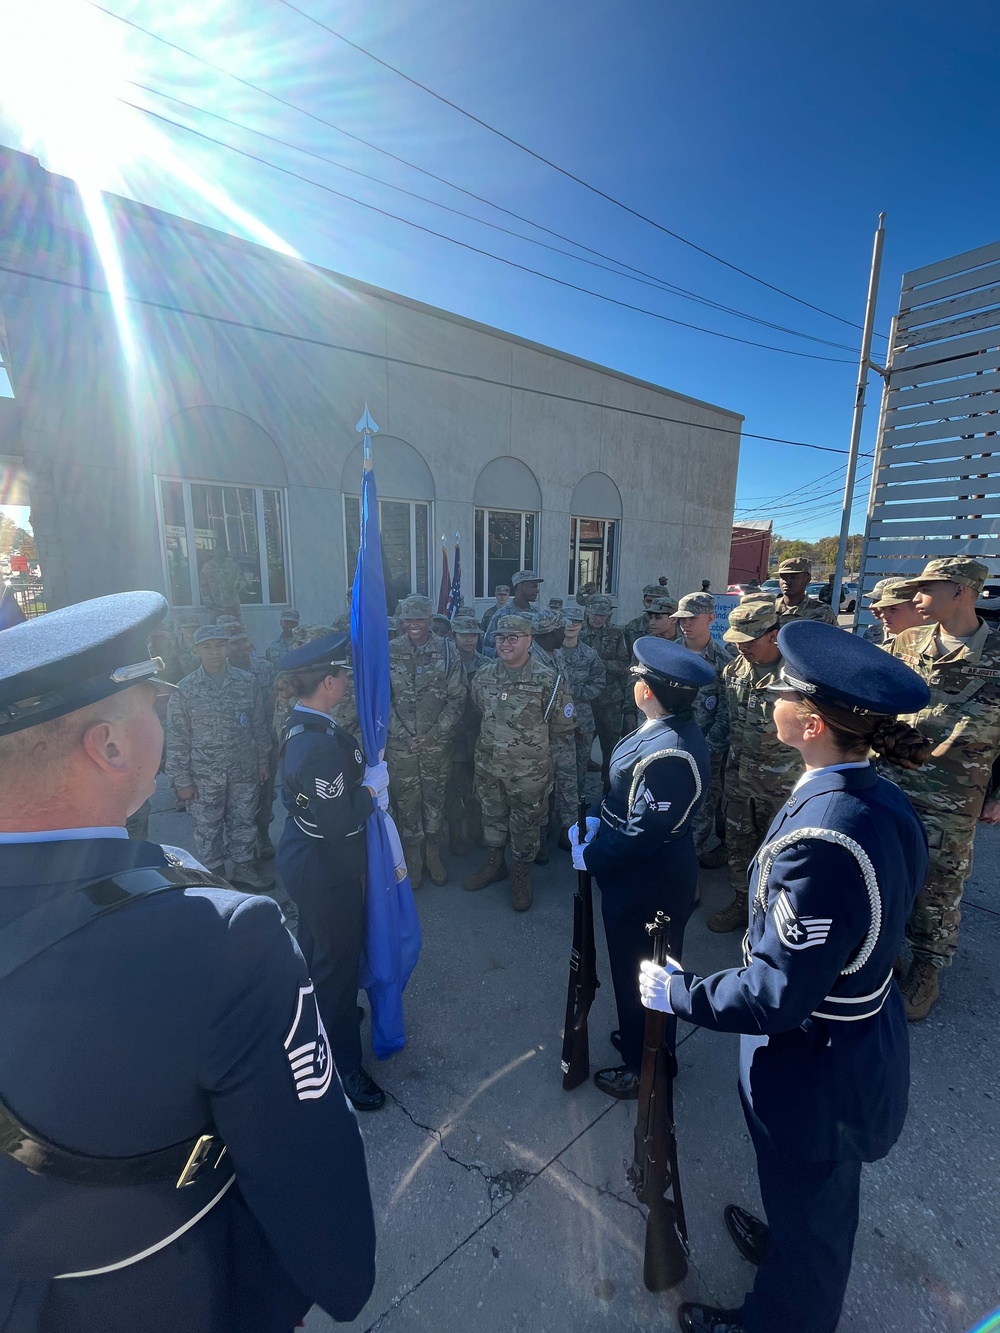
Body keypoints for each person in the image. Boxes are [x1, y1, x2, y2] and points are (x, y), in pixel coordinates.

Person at [0, 592, 376, 1331]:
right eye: (151, 700)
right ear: (109, 745)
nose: (164, 716)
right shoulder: (225, 938)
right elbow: (324, 1215)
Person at [639, 620, 931, 1333]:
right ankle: (796, 1250)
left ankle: (786, 1310)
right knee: (811, 1200)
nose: (769, 696)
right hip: (847, 1040)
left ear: (808, 722)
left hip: (818, 1063)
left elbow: (776, 991)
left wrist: (678, 992)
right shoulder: (872, 793)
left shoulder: (825, 836)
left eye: (782, 692)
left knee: (815, 1195)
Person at [571, 637, 713, 1100]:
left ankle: (647, 1065)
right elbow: (624, 795)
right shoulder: (658, 728)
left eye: (637, 678)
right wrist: (597, 815)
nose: (633, 682)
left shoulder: (671, 751)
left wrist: (589, 857)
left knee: (646, 976)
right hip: (638, 875)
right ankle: (643, 1042)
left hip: (647, 883)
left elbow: (640, 835)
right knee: (636, 970)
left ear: (648, 690)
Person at [275, 633, 390, 1112]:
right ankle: (341, 1064)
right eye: (342, 673)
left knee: (319, 954)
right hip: (325, 870)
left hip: (312, 863)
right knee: (336, 966)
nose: (347, 679)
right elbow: (338, 818)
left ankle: (317, 1020)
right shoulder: (318, 745)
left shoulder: (307, 724)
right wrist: (371, 792)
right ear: (327, 682)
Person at [885, 557, 1000, 1020]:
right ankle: (885, 947)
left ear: (962, 591)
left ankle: (927, 969)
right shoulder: (906, 642)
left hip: (955, 795)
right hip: (893, 780)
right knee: (889, 869)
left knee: (938, 884)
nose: (914, 597)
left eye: (926, 588)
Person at [465, 614, 575, 910]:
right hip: (489, 765)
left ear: (529, 640)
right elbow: (479, 709)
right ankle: (495, 864)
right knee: (492, 816)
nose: (506, 643)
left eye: (514, 637)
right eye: (501, 637)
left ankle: (521, 873)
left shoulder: (547, 679)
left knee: (526, 823)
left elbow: (561, 728)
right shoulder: (484, 675)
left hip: (529, 771)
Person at [709, 600, 802, 933]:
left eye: (748, 641)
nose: (740, 646)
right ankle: (741, 901)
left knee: (781, 852)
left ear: (773, 635)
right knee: (738, 843)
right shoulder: (734, 671)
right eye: (736, 640)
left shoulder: (797, 675)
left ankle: (776, 916)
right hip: (738, 776)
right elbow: (726, 719)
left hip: (783, 785)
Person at [165, 625, 272, 889]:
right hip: (204, 775)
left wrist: (262, 761)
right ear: (196, 651)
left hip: (243, 769)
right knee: (207, 826)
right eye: (207, 647)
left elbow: (259, 725)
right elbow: (177, 737)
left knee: (244, 821)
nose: (214, 652)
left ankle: (243, 867)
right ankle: (214, 875)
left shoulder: (247, 683)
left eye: (219, 645)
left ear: (227, 647)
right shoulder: (184, 690)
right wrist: (181, 780)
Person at [385, 595, 465, 889]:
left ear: (431, 620)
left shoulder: (447, 650)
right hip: (401, 745)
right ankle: (413, 856)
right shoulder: (389, 651)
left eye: (420, 618)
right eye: (409, 619)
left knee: (434, 799)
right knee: (406, 801)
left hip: (436, 744)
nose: (414, 624)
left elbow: (457, 699)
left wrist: (434, 734)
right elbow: (381, 702)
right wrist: (404, 736)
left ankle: (432, 852)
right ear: (402, 621)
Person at [675, 592, 732, 869]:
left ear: (710, 618)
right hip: (670, 745)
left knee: (703, 804)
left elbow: (726, 712)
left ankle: (691, 859)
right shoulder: (668, 654)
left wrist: (707, 748)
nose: (685, 624)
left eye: (692, 618)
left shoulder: (724, 661)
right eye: (681, 619)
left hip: (706, 748)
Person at [529, 608, 578, 862]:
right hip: (542, 736)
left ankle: (568, 831)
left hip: (564, 732)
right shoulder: (531, 660)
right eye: (560, 629)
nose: (564, 633)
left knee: (568, 782)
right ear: (549, 632)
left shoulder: (556, 653)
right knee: (542, 788)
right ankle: (539, 837)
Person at [445, 614, 488, 855]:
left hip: (480, 734)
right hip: (454, 734)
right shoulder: (446, 663)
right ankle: (455, 834)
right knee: (453, 786)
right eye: (464, 635)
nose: (469, 639)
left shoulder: (487, 664)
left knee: (479, 785)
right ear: (454, 636)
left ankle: (476, 828)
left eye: (473, 635)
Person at [558, 606, 606, 814]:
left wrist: (578, 692)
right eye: (567, 621)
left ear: (581, 625)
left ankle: (574, 815)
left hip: (582, 719)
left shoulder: (588, 654)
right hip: (554, 719)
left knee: (579, 768)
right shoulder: (549, 652)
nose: (571, 625)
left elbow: (599, 680)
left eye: (576, 622)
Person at [581, 594, 632, 786]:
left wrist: (599, 664)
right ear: (587, 611)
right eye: (595, 614)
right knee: (581, 743)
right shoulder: (577, 632)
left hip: (609, 699)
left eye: (603, 615)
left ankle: (609, 786)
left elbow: (623, 664)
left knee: (610, 743)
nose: (598, 618)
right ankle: (579, 788)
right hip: (584, 697)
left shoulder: (616, 634)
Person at [482, 569, 543, 656]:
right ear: (521, 586)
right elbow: (488, 647)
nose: (537, 591)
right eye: (533, 587)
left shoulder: (539, 615)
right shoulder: (501, 615)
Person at [773, 556, 837, 626]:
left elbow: (835, 636)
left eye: (793, 577)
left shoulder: (822, 612)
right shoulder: (768, 608)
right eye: (783, 577)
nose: (787, 581)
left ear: (807, 579)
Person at [866, 577, 922, 647]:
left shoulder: (932, 639)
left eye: (893, 609)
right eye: (883, 608)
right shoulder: (872, 632)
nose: (871, 606)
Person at [198, 547, 245, 623]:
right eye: (217, 551)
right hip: (216, 606)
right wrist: (207, 601)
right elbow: (203, 585)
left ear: (224, 553)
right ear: (213, 553)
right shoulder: (207, 566)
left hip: (232, 604)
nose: (219, 553)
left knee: (235, 627)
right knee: (217, 629)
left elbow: (242, 580)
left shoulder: (233, 565)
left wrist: (238, 586)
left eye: (221, 551)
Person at [623, 584, 666, 651]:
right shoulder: (633, 626)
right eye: (649, 601)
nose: (653, 605)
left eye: (657, 601)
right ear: (643, 602)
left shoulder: (678, 626)